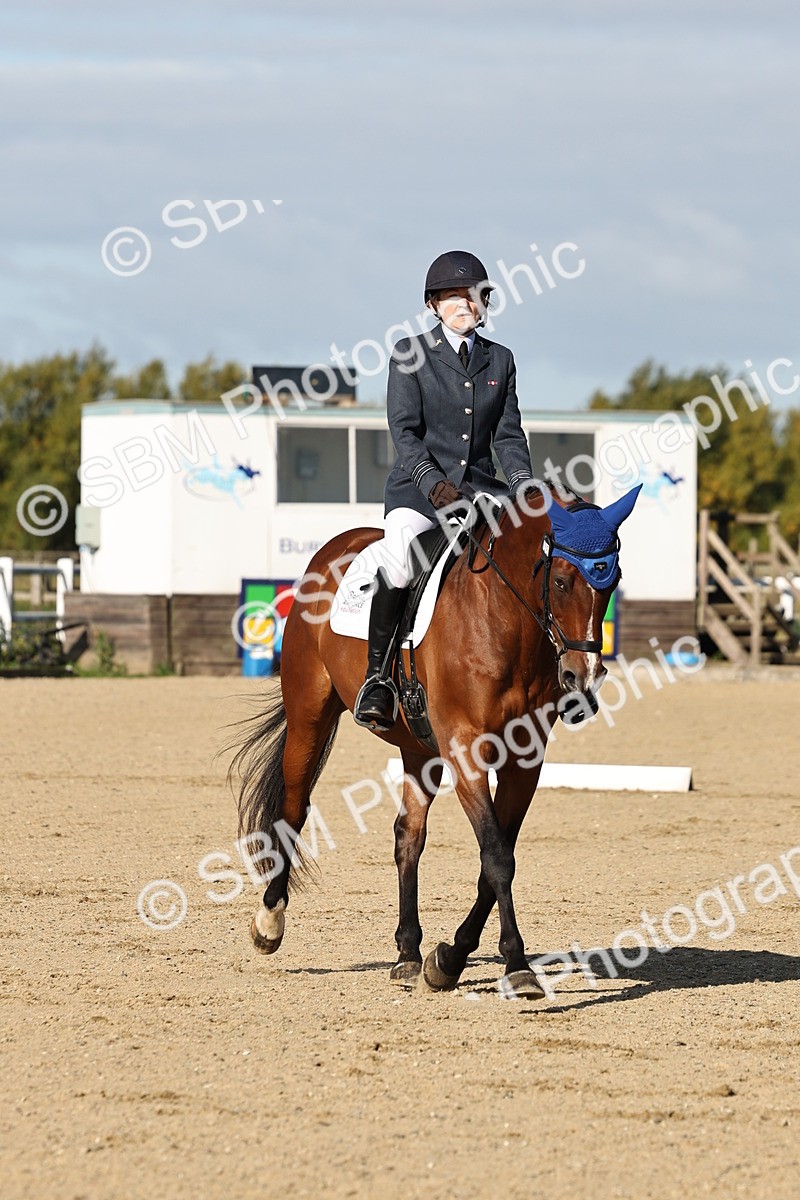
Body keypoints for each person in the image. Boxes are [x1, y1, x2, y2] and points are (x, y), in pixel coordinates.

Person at [353, 249, 534, 730]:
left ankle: (551, 674)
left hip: (481, 492)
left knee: (530, 556)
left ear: (484, 302)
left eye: (472, 295)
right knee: (399, 559)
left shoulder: (501, 359)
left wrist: (523, 488)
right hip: (419, 493)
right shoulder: (409, 352)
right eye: (452, 296)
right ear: (433, 304)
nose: (463, 304)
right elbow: (404, 432)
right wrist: (433, 485)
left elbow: (508, 436)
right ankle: (378, 678)